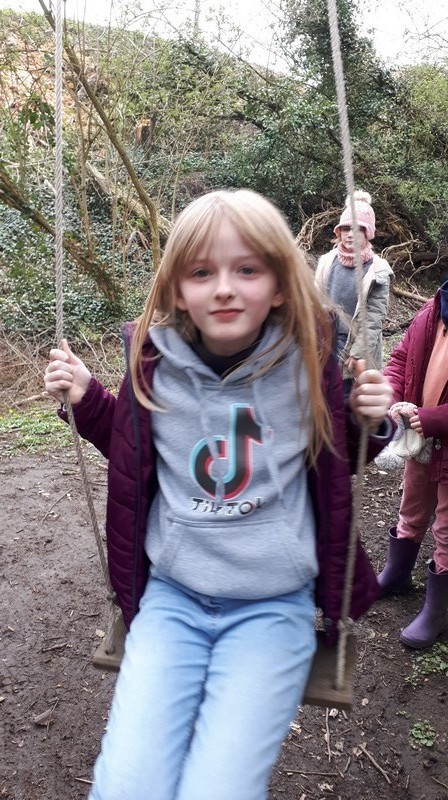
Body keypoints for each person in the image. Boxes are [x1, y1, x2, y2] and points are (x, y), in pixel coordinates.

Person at [44, 189, 393, 800]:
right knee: (124, 786)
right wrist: (86, 397)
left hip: (272, 609)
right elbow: (130, 444)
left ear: (279, 284)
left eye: (247, 270)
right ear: (178, 290)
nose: (225, 289)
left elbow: (342, 458)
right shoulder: (152, 365)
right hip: (172, 603)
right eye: (202, 272)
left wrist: (371, 419)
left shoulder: (309, 366)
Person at [378, 277, 448, 649]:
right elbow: (400, 359)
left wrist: (436, 418)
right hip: (420, 441)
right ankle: (397, 573)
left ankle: (436, 611)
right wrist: (390, 395)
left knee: (447, 527)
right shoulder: (434, 307)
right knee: (412, 504)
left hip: (442, 438)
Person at [315, 190, 393, 385]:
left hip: (355, 346)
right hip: (325, 341)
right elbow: (314, 301)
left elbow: (374, 317)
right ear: (339, 232)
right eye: (346, 229)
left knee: (347, 396)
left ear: (368, 233)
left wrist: (358, 352)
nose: (350, 235)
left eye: (358, 229)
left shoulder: (377, 270)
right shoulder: (326, 261)